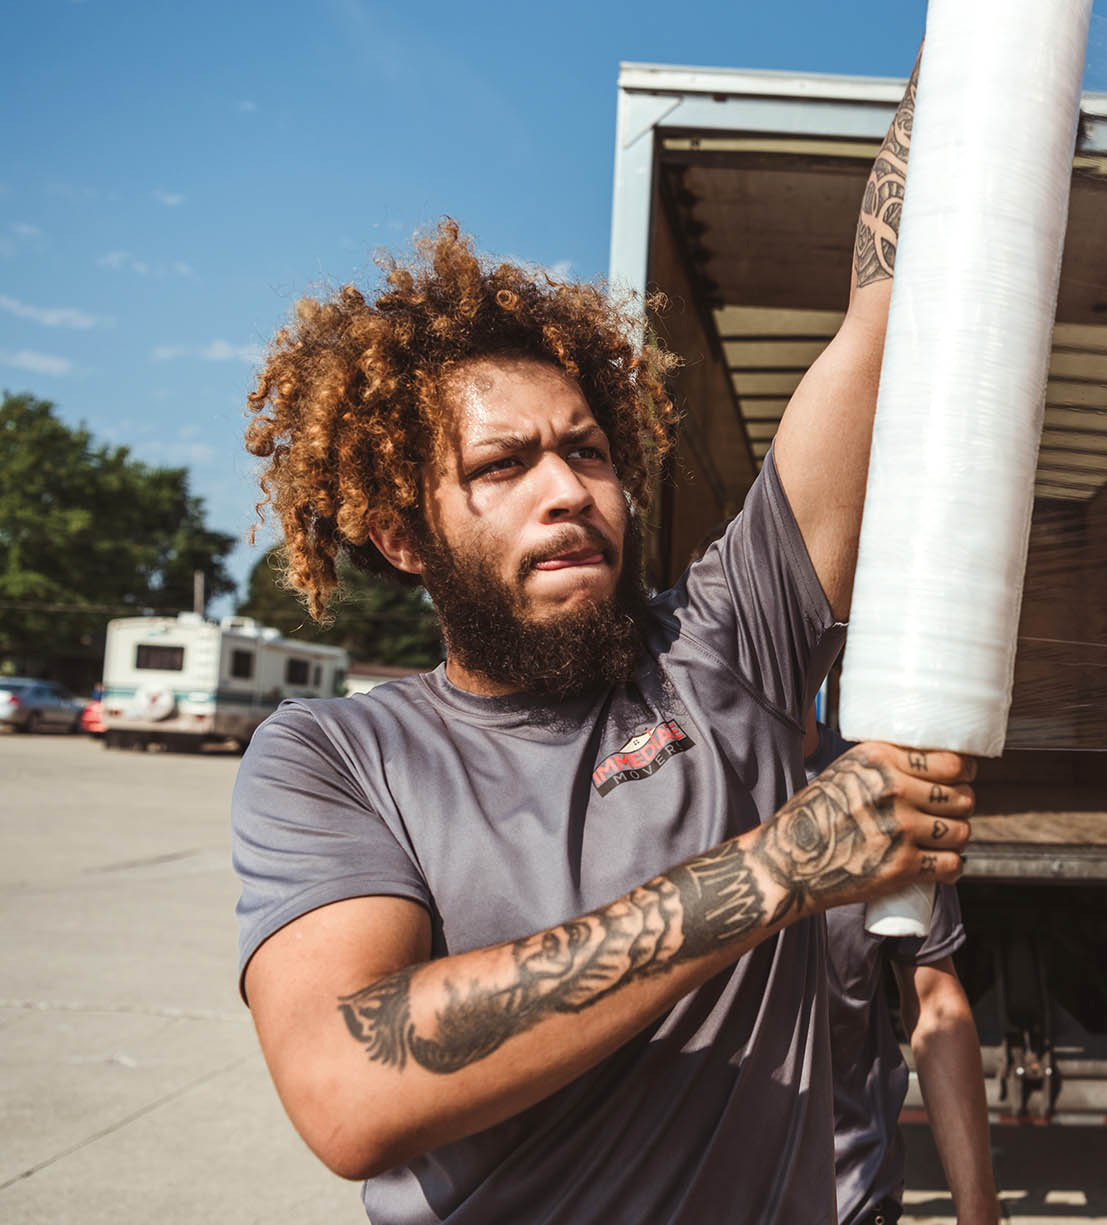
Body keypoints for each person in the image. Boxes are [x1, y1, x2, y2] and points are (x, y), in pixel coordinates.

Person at [229, 61, 970, 1225]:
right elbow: (345, 1088)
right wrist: (778, 869)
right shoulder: (333, 757)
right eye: (501, 466)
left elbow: (891, 317)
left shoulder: (729, 644)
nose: (567, 490)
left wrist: (979, 40)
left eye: (588, 450)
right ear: (401, 534)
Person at [807, 721, 999, 1225]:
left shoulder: (884, 788)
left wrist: (979, 1211)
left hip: (849, 1196)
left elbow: (933, 998)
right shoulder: (673, 778)